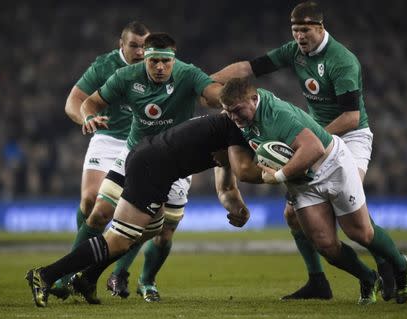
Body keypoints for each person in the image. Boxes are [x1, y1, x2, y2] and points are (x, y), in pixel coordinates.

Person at [212, 1, 395, 301]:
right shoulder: (294, 52)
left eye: (305, 30)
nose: (299, 36)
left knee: (349, 210)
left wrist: (310, 138)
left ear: (321, 28)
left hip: (349, 136)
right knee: (293, 215)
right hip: (312, 135)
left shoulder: (341, 61)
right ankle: (318, 281)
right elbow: (248, 68)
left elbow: (351, 117)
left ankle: (387, 261)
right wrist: (210, 81)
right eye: (295, 30)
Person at [26, 113, 260, 308]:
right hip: (152, 167)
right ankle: (45, 275)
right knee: (119, 239)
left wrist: (238, 207)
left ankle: (87, 278)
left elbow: (227, 185)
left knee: (151, 229)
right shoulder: (236, 132)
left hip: (154, 162)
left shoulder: (225, 128)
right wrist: (280, 173)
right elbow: (244, 172)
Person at [60, 32, 227, 303]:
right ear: (144, 60)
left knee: (164, 233)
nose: (160, 67)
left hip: (175, 161)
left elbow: (212, 93)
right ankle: (67, 277)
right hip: (134, 154)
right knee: (100, 212)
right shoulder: (126, 76)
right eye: (154, 62)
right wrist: (89, 116)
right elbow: (90, 102)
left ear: (174, 60)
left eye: (165, 62)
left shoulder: (188, 74)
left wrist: (232, 100)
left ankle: (146, 280)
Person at [219, 77, 407, 305]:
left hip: (332, 166)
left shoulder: (276, 115)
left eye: (237, 111)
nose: (233, 117)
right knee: (326, 245)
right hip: (302, 182)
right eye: (228, 112)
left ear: (254, 100)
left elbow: (314, 148)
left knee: (361, 233)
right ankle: (368, 278)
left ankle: (401, 266)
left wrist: (279, 176)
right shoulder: (242, 113)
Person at [51, 21, 150, 298]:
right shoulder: (105, 66)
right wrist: (88, 117)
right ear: (122, 45)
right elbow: (74, 100)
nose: (141, 52)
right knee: (90, 201)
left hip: (141, 143)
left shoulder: (158, 65)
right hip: (108, 137)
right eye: (134, 46)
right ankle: (70, 272)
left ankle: (112, 274)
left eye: (144, 46)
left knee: (141, 215)